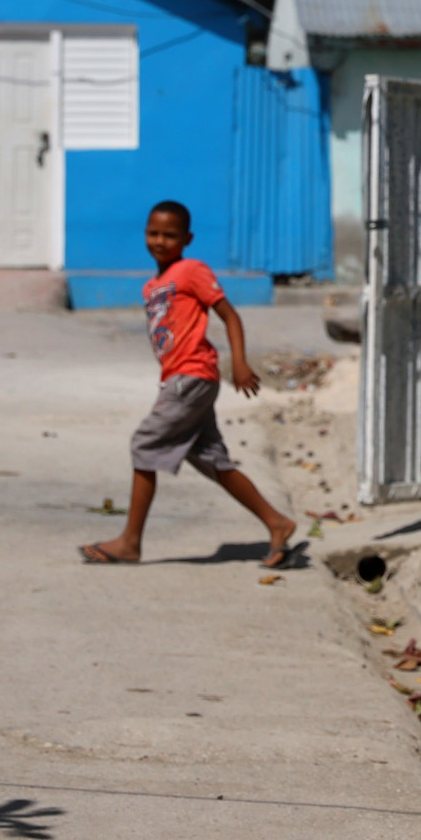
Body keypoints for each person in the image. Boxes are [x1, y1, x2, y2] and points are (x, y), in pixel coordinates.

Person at [79, 201, 297, 568]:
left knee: (144, 445)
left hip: (192, 376)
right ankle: (277, 523)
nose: (160, 241)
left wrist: (239, 362)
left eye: (170, 235)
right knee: (213, 461)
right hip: (179, 378)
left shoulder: (192, 270)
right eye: (153, 233)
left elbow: (230, 316)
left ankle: (130, 542)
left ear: (187, 239)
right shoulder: (152, 286)